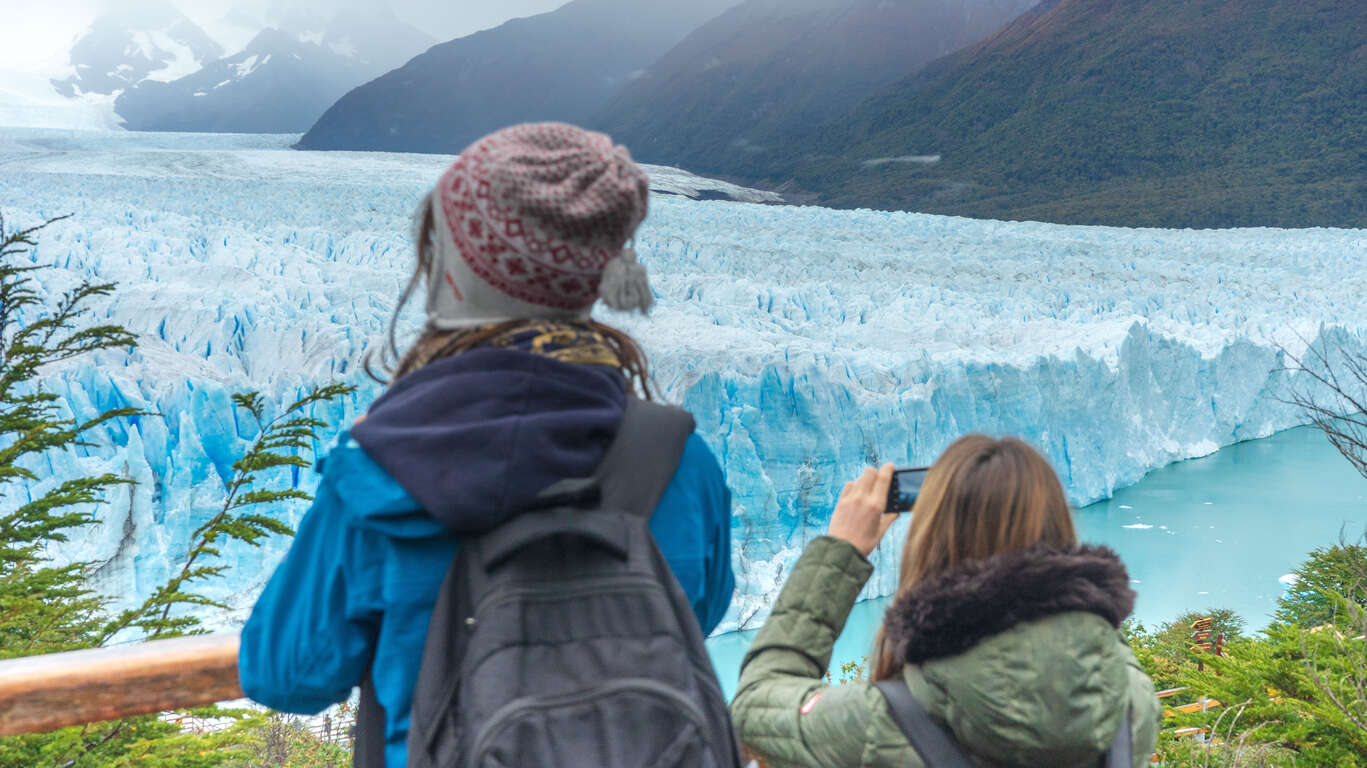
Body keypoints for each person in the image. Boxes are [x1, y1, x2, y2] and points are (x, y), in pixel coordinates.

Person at [238, 123, 735, 768]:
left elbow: (286, 672)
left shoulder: (380, 477)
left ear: (456, 279)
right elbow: (701, 611)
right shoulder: (678, 460)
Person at [731, 435, 1159, 768]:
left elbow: (757, 703)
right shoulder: (1130, 706)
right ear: (1058, 539)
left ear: (930, 545)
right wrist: (1079, 587)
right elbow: (1090, 632)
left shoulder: (881, 725)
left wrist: (840, 551)